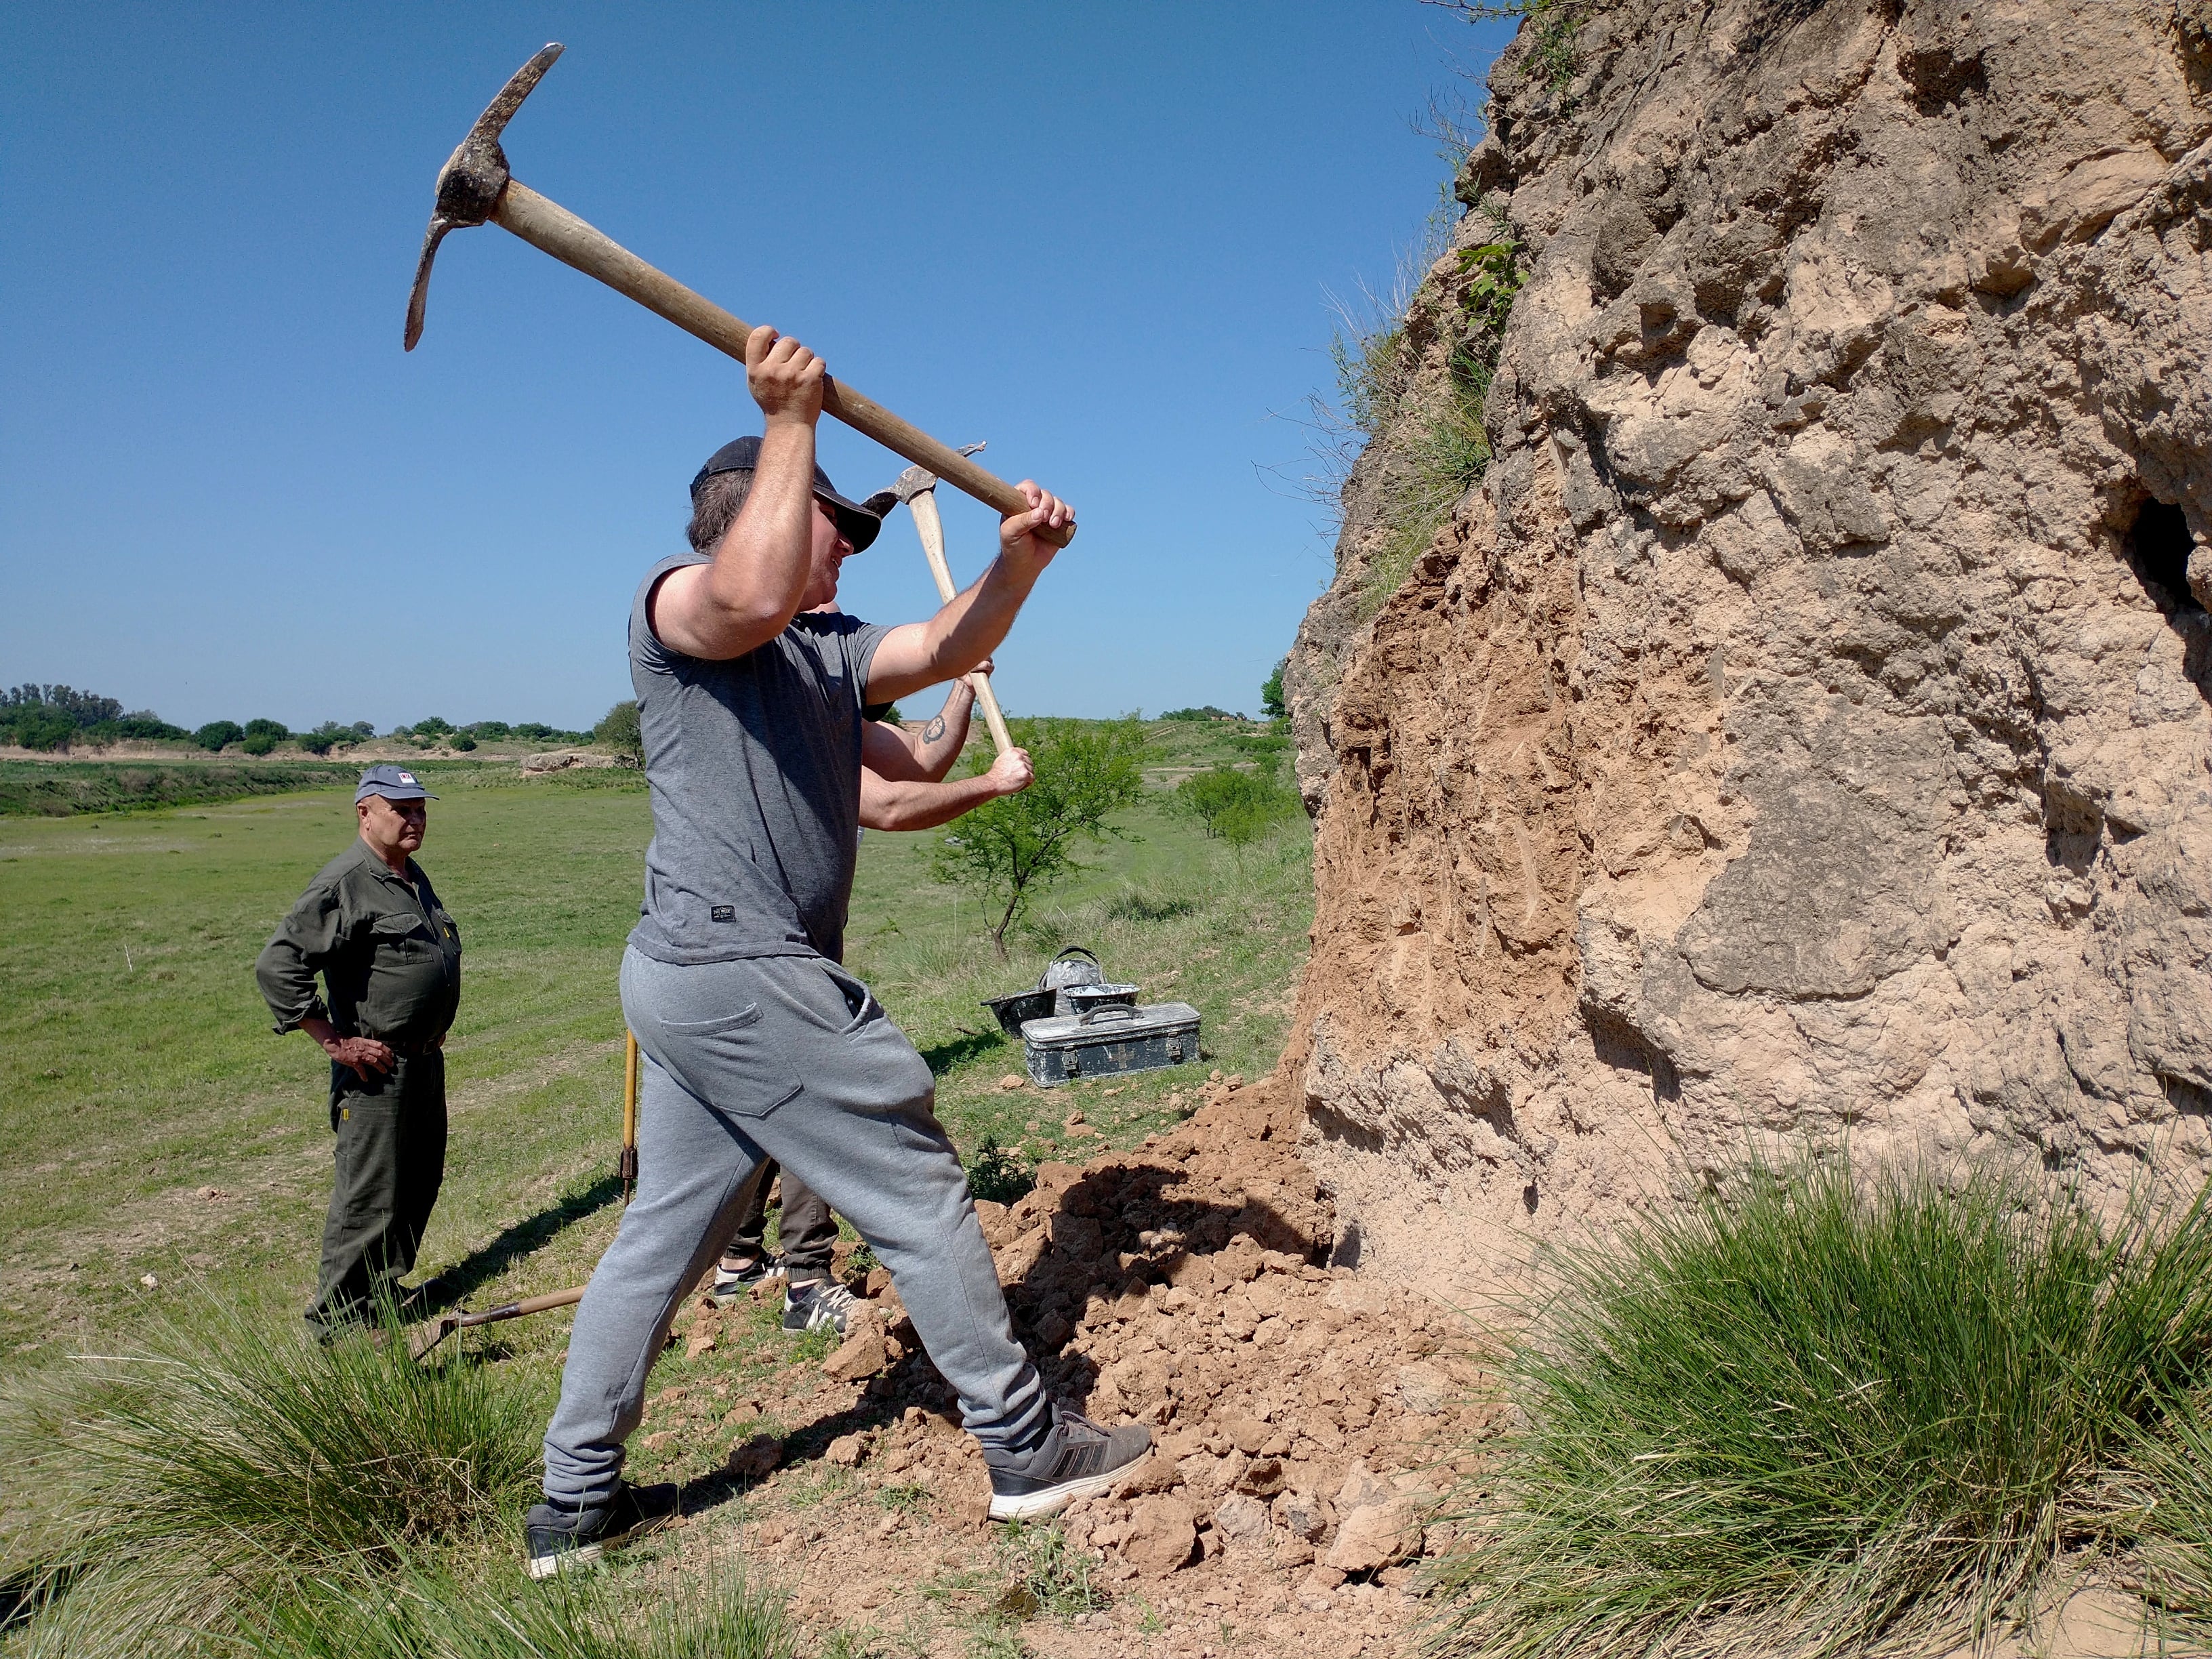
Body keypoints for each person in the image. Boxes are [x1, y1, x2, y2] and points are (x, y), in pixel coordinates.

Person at [523, 325, 1149, 1578]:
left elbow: (943, 652)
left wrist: (1014, 562)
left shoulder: (823, 652)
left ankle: (570, 1505)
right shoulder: (677, 609)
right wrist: (788, 420)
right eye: (836, 524)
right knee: (913, 1184)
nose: (852, 546)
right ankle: (1025, 1448)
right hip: (741, 969)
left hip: (701, 979)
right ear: (755, 508)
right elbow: (748, 593)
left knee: (668, 1230)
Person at [711, 676, 1035, 1332]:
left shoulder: (814, 722)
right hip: (768, 957)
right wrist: (992, 784)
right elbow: (891, 802)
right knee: (826, 1101)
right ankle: (806, 1282)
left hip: (769, 951)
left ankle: (738, 1259)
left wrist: (966, 686)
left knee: (762, 1100)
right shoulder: (796, 744)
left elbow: (919, 757)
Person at [254, 764, 462, 1340]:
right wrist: (334, 1040)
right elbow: (278, 965)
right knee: (370, 1195)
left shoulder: (406, 875)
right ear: (365, 813)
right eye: (403, 809)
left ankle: (380, 1291)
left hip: (421, 1061)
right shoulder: (346, 881)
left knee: (417, 1181)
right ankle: (338, 1324)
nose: (416, 818)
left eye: (421, 808)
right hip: (376, 1071)